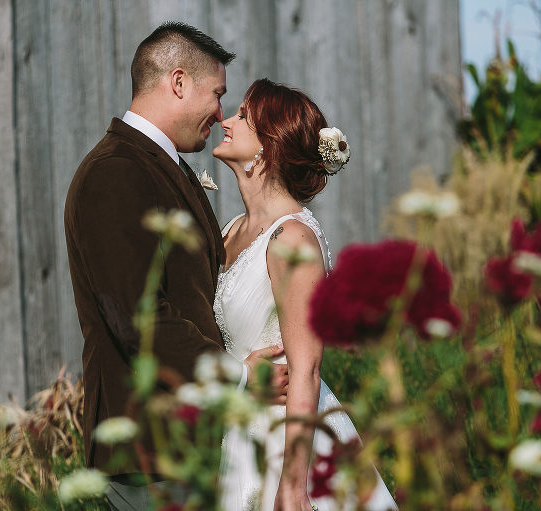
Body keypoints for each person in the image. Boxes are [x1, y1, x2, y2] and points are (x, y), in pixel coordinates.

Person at [64, 23, 288, 510]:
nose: (220, 113)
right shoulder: (116, 172)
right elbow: (137, 318)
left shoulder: (162, 167)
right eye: (217, 94)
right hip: (150, 451)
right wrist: (238, 378)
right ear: (179, 82)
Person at [213, 79, 397, 511]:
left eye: (243, 117)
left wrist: (293, 488)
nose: (226, 121)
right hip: (240, 431)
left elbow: (308, 368)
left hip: (285, 438)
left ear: (269, 147)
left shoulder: (292, 240)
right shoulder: (229, 233)